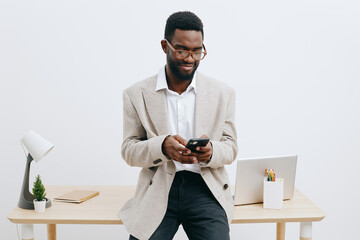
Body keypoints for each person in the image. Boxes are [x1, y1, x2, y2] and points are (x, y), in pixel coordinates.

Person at [118, 11, 238, 240]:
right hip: (159, 188)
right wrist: (162, 147)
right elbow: (129, 150)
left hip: (206, 189)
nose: (190, 58)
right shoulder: (135, 94)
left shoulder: (223, 94)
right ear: (165, 46)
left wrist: (211, 151)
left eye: (197, 51)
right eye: (182, 50)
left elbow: (231, 147)